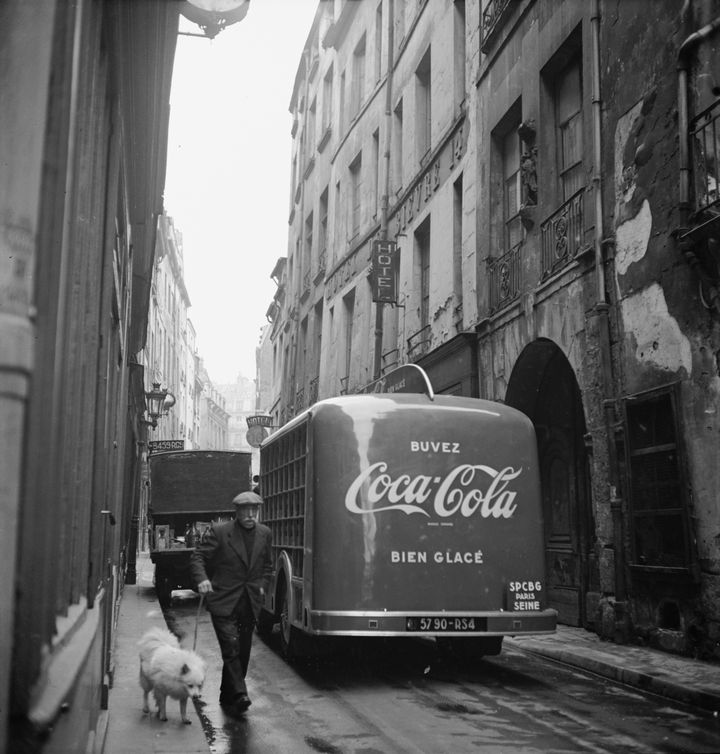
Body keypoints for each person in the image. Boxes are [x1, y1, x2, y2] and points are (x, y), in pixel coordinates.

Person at [190, 490, 273, 716]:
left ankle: (227, 695)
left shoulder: (265, 533)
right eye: (245, 511)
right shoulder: (220, 532)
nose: (250, 515)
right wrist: (203, 579)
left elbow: (267, 566)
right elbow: (198, 556)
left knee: (243, 651)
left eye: (253, 510)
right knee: (231, 647)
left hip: (249, 601)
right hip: (224, 600)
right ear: (237, 512)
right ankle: (240, 694)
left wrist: (263, 584)